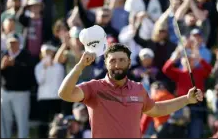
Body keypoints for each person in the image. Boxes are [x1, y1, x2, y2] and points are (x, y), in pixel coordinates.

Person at [58, 43, 203, 138]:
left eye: (121, 60)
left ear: (129, 63)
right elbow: (64, 94)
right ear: (106, 64)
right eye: (112, 61)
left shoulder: (138, 89)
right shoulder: (94, 87)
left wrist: (187, 99)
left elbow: (157, 109)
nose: (117, 64)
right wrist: (79, 66)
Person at [1, 33, 34, 138]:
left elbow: (30, 72)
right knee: (5, 120)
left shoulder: (26, 54)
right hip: (5, 92)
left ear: (19, 43)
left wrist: (15, 64)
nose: (12, 45)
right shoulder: (3, 54)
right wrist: (2, 66)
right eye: (10, 42)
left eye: (14, 42)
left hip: (22, 93)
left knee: (22, 120)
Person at [34, 44, 65, 138]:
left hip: (56, 98)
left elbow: (60, 82)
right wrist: (45, 68)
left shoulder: (59, 66)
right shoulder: (39, 66)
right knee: (43, 123)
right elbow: (40, 81)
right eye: (45, 52)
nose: (47, 54)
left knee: (56, 123)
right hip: (43, 98)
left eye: (49, 52)